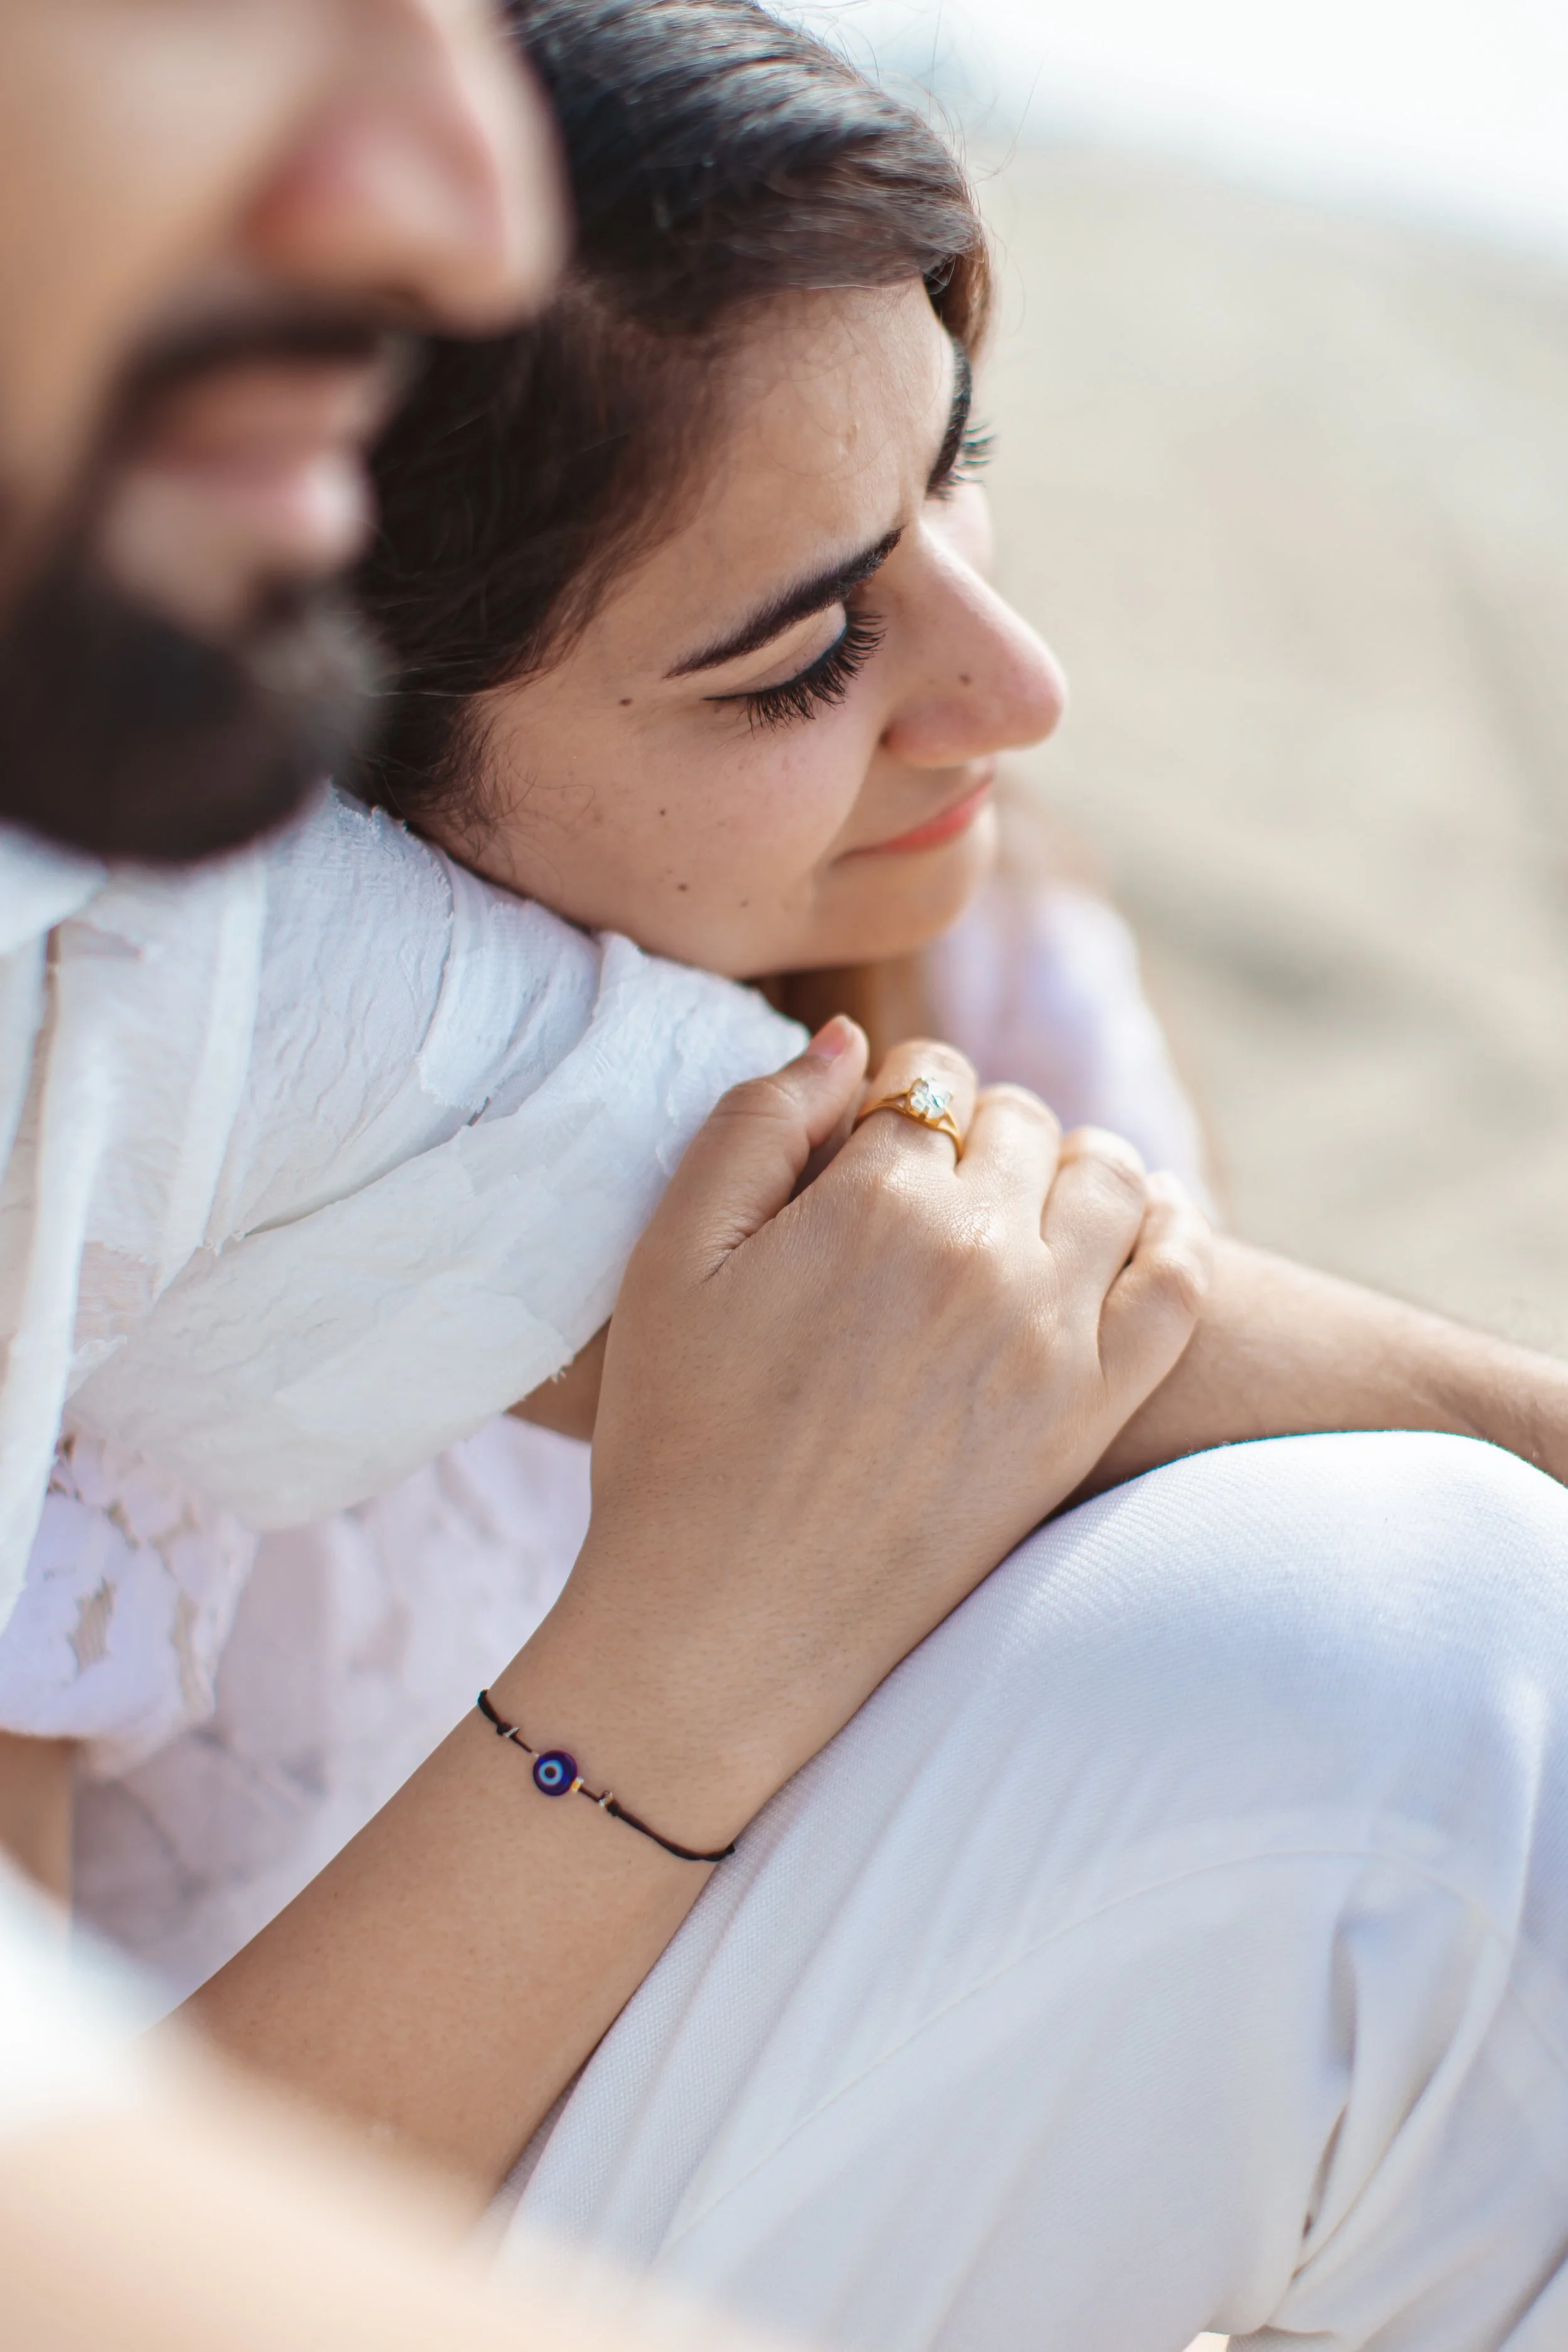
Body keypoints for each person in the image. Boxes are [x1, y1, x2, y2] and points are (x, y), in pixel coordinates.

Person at [24, 7, 1568, 2346]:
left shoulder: (983, 945)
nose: (1015, 681)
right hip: (271, 2252)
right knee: (1408, 1675)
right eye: (802, 651)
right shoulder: (160, 1073)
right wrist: (679, 1653)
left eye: (957, 477)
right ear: (337, 766)